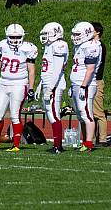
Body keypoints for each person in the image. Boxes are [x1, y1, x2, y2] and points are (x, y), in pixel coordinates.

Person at [0, 24, 38, 152]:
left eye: (17, 36)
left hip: (19, 84)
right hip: (3, 83)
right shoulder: (2, 45)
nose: (14, 39)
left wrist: (31, 88)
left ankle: (16, 145)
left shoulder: (27, 48)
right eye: (12, 37)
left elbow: (31, 70)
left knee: (15, 115)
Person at [70, 21, 102, 152]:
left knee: (86, 113)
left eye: (78, 34)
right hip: (77, 83)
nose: (75, 37)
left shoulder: (92, 46)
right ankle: (85, 141)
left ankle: (89, 143)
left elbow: (90, 69)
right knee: (80, 114)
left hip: (86, 85)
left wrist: (83, 86)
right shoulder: (81, 46)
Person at [38, 22, 69, 153]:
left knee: (54, 114)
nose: (45, 37)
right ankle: (57, 145)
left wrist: (50, 88)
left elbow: (56, 70)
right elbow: (47, 69)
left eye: (47, 34)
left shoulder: (59, 45)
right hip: (49, 83)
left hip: (55, 85)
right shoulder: (50, 46)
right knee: (50, 113)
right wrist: (41, 85)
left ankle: (57, 145)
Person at [92, 22, 107, 145]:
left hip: (96, 81)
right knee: (89, 112)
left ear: (97, 32)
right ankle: (90, 138)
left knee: (98, 113)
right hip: (91, 81)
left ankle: (102, 139)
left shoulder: (99, 46)